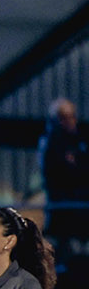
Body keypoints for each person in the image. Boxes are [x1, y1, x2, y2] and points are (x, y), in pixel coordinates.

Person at [37, 97, 88, 243]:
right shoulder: (50, 144)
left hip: (79, 207)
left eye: (72, 116)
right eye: (64, 118)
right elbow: (62, 172)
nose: (70, 122)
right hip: (61, 208)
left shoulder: (79, 142)